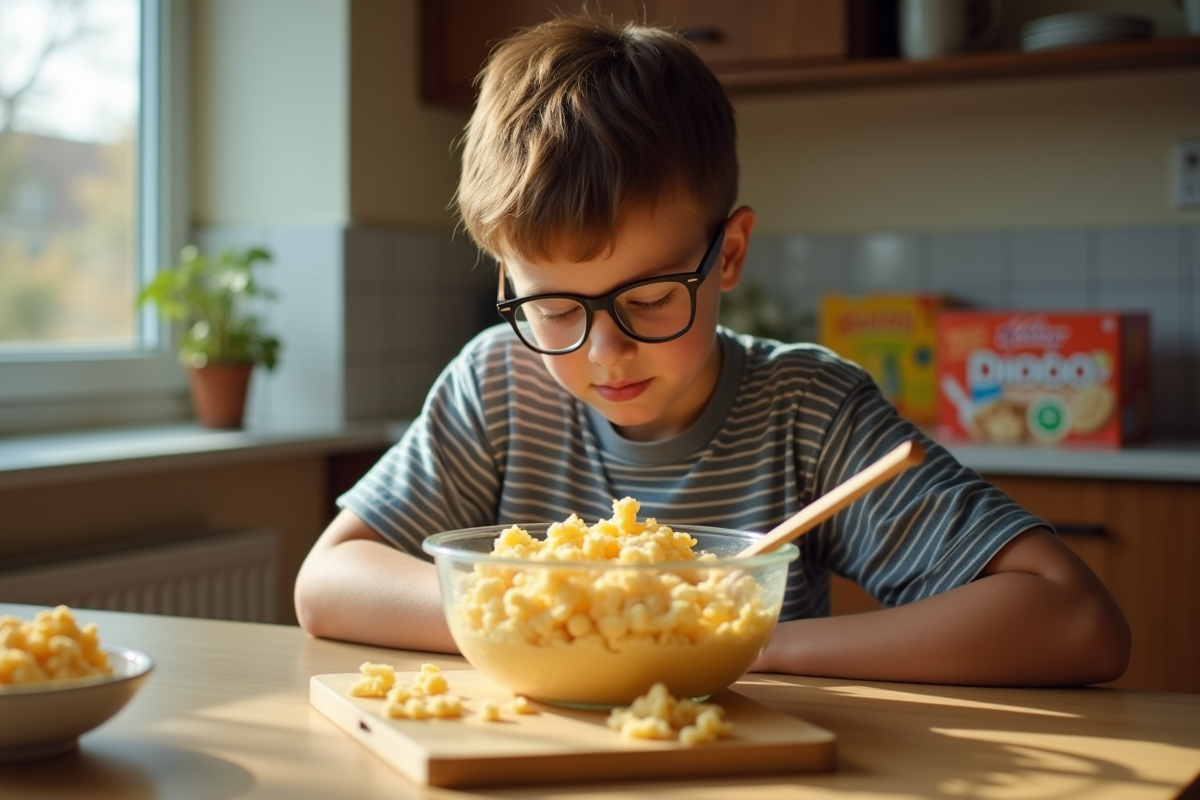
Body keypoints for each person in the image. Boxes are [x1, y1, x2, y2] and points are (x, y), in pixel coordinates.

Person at [294, 14, 1130, 686]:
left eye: (650, 298)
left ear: (726, 255)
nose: (605, 351)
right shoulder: (497, 384)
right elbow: (327, 585)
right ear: (508, 284)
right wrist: (562, 622)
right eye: (551, 308)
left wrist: (748, 645)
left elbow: (1076, 623)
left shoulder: (807, 409)